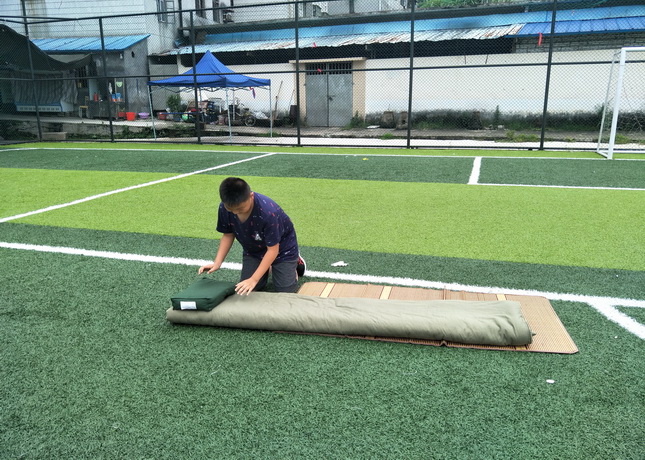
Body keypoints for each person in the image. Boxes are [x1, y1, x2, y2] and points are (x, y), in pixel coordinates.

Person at [198, 177, 306, 295]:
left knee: (285, 291)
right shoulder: (224, 207)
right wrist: (217, 262)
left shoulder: (269, 213)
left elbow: (273, 251)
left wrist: (253, 279)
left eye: (240, 209)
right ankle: (267, 267)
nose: (235, 212)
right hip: (254, 249)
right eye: (230, 209)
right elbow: (228, 235)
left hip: (282, 249)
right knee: (247, 289)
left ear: (251, 196)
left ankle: (296, 263)